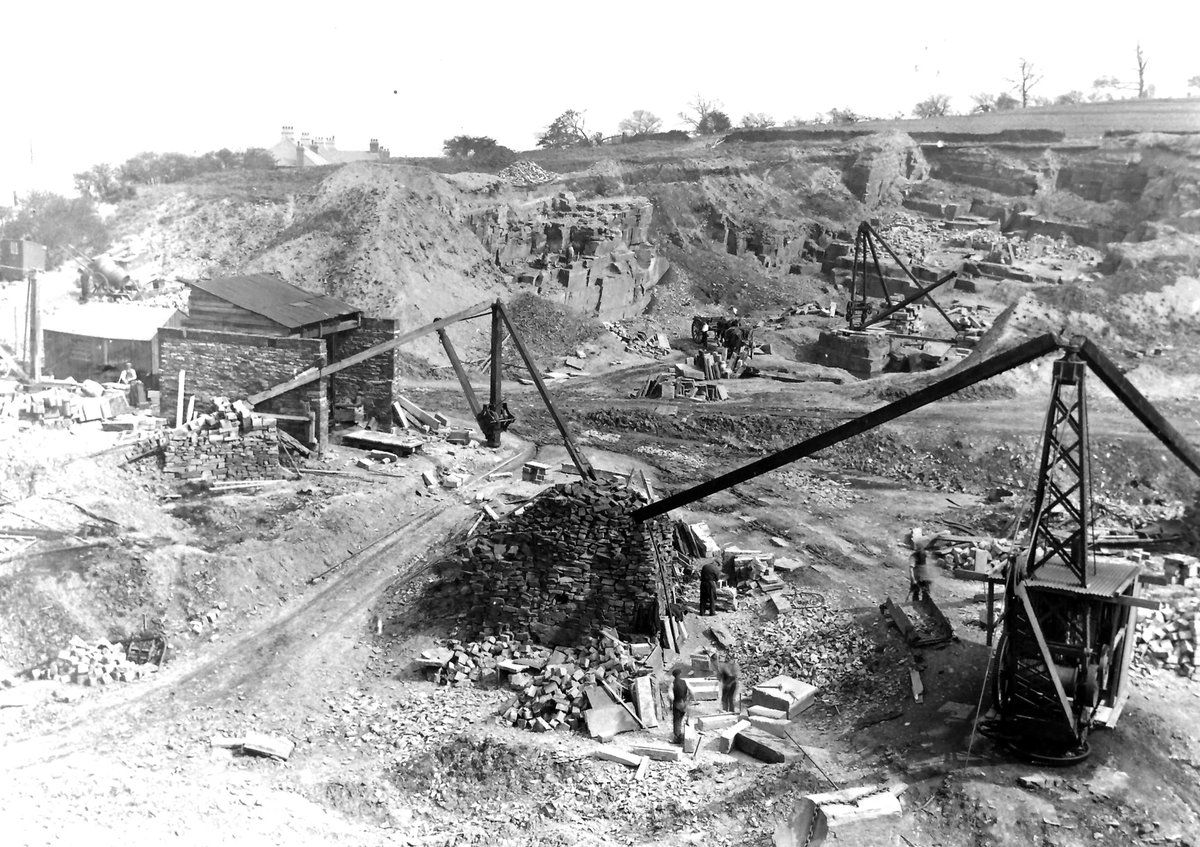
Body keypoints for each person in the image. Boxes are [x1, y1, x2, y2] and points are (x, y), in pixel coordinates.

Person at [671, 666, 691, 744]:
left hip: (677, 704)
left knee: (677, 721)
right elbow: (692, 691)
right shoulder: (685, 682)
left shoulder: (672, 684)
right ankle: (684, 736)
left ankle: (677, 738)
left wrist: (670, 704)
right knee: (683, 719)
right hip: (684, 703)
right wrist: (689, 700)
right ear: (680, 674)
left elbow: (671, 696)